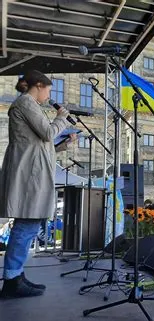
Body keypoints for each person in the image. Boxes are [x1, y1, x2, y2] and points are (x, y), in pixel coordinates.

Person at [0, 70, 72, 298]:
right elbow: (48, 133)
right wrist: (62, 118)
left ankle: (16, 275)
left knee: (29, 224)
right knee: (25, 225)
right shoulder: (26, 103)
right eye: (48, 90)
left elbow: (40, 143)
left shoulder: (29, 105)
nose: (48, 95)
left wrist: (62, 146)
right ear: (39, 85)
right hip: (28, 174)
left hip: (32, 171)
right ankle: (12, 279)